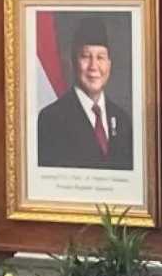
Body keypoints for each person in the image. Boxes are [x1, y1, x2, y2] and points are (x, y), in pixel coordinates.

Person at [37, 17, 134, 170]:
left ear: (109, 64)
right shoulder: (51, 119)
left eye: (100, 57)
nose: (93, 66)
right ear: (73, 62)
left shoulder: (123, 121)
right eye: (86, 56)